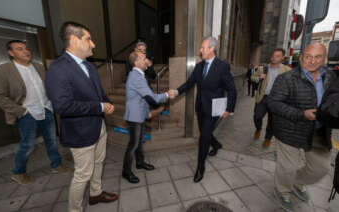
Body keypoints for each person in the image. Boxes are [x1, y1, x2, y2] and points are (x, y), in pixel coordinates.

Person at [45, 22, 118, 212]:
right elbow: (63, 106)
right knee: (83, 174)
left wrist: (107, 103)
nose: (93, 44)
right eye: (89, 39)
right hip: (80, 132)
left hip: (99, 126)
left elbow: (98, 93)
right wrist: (99, 106)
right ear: (74, 40)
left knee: (98, 163)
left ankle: (95, 194)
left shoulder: (89, 66)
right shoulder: (58, 69)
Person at [267, 43, 336, 212]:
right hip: (289, 130)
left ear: (324, 58)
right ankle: (282, 190)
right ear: (302, 57)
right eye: (308, 57)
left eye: (317, 57)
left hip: (319, 131)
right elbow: (273, 103)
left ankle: (297, 182)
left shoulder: (332, 77)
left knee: (321, 168)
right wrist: (301, 114)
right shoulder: (286, 78)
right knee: (288, 167)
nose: (312, 61)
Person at [0, 40, 70, 185]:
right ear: (11, 53)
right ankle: (18, 172)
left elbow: (49, 87)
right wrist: (20, 111)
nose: (26, 51)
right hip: (26, 113)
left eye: (26, 48)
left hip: (46, 109)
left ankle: (56, 164)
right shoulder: (3, 70)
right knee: (28, 145)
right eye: (19, 49)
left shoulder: (39, 67)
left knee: (52, 140)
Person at [169, 36, 237, 183]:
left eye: (203, 47)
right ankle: (217, 144)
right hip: (200, 106)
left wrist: (229, 108)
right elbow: (189, 83)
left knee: (203, 137)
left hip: (214, 109)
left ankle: (200, 168)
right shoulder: (199, 66)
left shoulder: (222, 66)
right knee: (205, 132)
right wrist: (176, 91)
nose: (200, 50)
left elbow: (232, 89)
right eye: (201, 47)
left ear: (212, 49)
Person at [122, 51, 174, 183]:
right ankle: (126, 172)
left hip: (138, 114)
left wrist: (147, 114)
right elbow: (152, 97)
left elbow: (142, 98)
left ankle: (140, 163)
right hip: (134, 117)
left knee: (139, 142)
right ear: (136, 62)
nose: (147, 61)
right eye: (144, 59)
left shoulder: (138, 75)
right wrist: (167, 95)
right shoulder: (136, 77)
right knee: (133, 144)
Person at [251, 48, 291, 148]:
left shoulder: (287, 70)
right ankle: (258, 128)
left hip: (277, 100)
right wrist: (259, 78)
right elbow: (252, 77)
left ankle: (267, 138)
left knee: (272, 121)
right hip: (263, 98)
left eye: (277, 56)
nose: (274, 58)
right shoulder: (263, 68)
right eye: (273, 55)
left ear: (282, 58)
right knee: (257, 116)